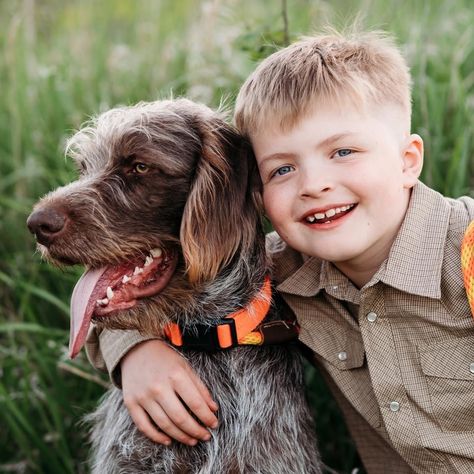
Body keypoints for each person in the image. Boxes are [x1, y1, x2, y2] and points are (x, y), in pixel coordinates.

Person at [86, 30, 474, 473]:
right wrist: (135, 352)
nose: (313, 185)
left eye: (343, 151)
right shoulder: (284, 271)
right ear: (256, 187)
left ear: (408, 160)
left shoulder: (466, 252)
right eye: (283, 169)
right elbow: (129, 289)